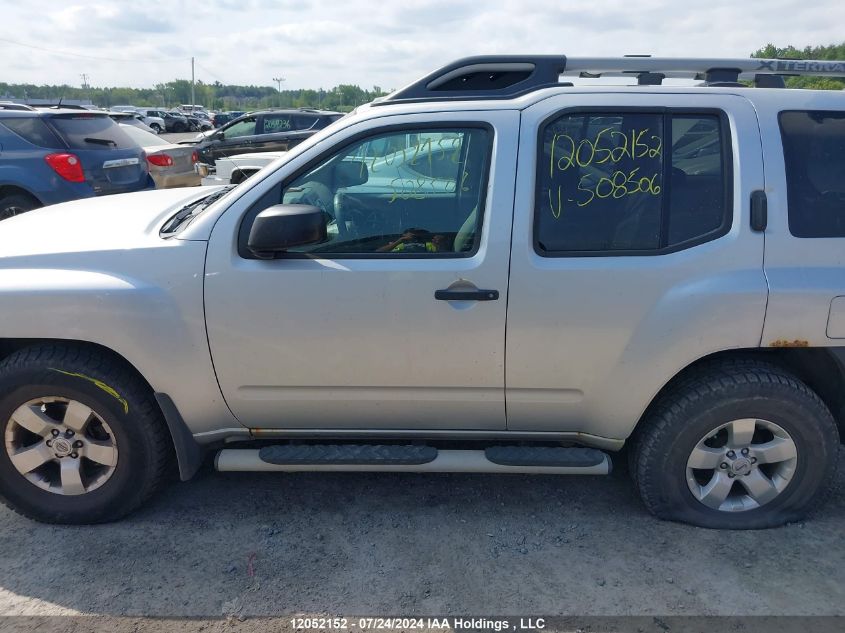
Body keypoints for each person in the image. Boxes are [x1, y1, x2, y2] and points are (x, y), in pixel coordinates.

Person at [377, 228, 449, 253]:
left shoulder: (430, 245)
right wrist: (399, 241)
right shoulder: (399, 245)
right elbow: (378, 253)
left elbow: (445, 257)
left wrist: (439, 243)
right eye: (412, 236)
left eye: (418, 236)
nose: (415, 239)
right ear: (404, 236)